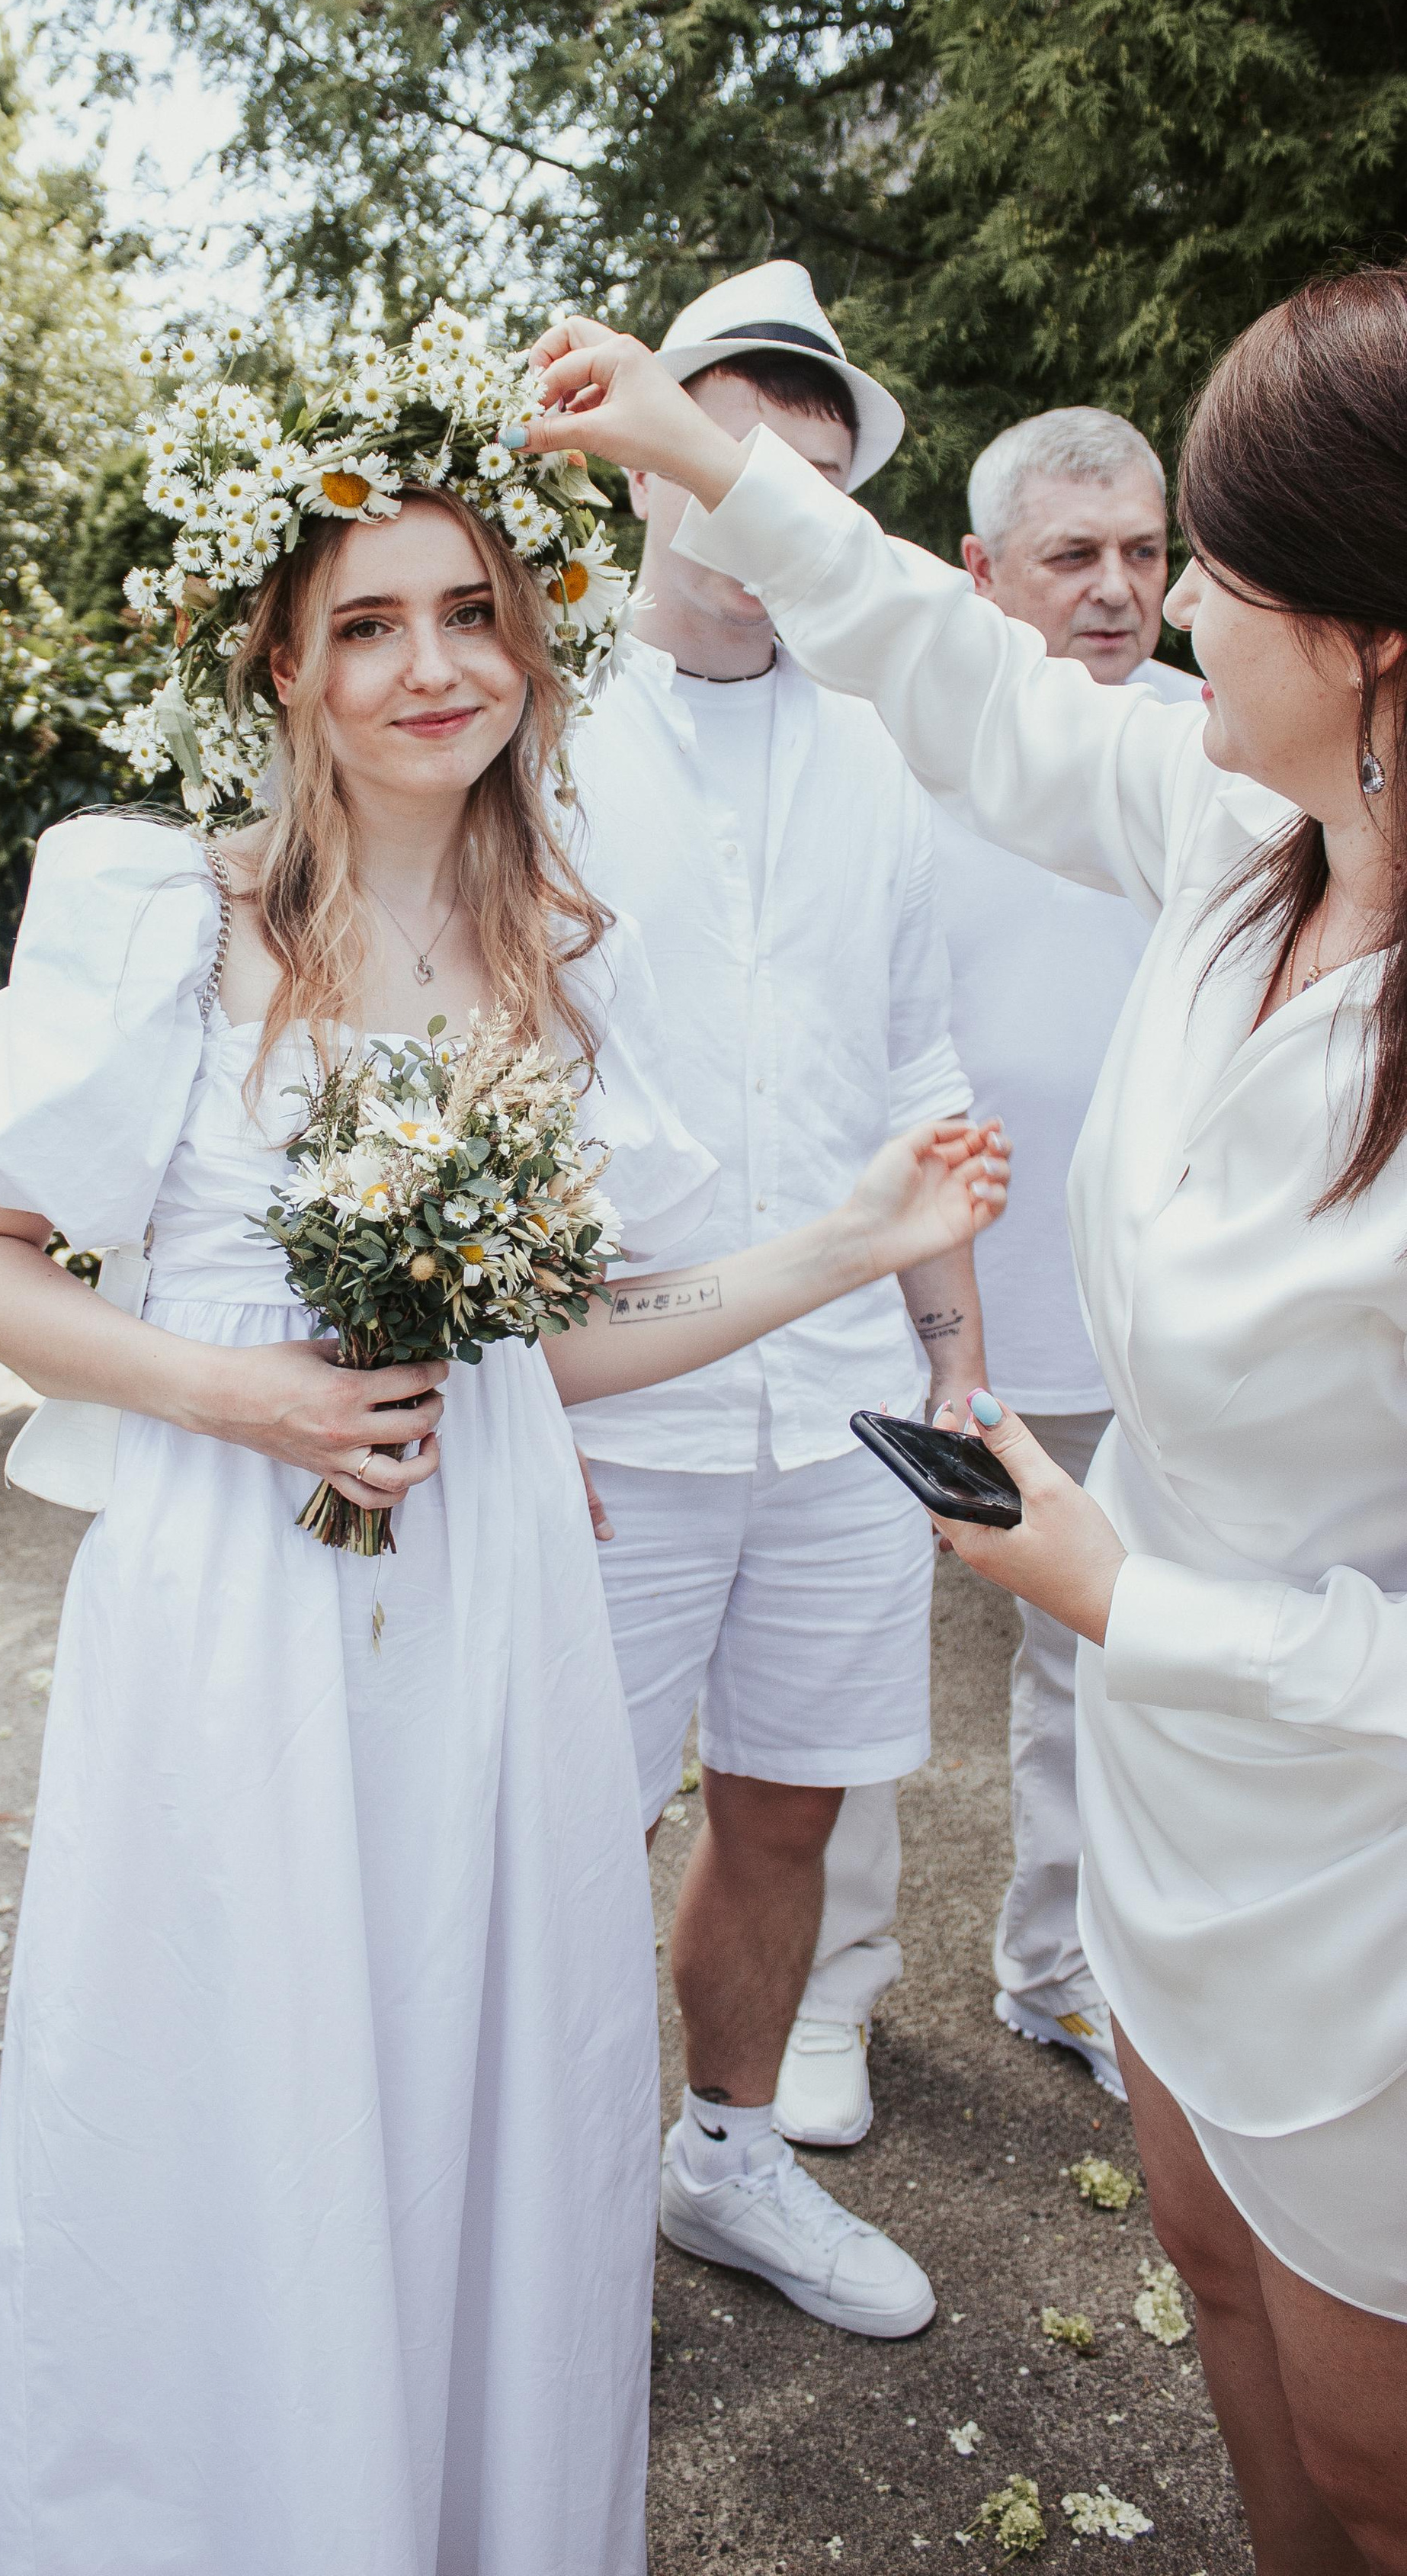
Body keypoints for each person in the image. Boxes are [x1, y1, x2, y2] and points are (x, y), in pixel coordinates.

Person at [0, 325, 1008, 2576]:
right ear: (287, 670)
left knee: (476, 2069)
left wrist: (848, 1247)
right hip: (242, 1607)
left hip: (488, 1594)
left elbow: (549, 1355)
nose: (434, 668)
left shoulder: (542, 953)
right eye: (370, 626)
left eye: (472, 612)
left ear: (529, 636)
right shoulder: (170, 918)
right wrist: (250, 1394)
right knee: (257, 2086)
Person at [514, 270, 1407, 2570]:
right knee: (1213, 2283)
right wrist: (697, 457)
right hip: (1184, 1842)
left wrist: (1119, 1588)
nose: (1161, 604)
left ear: (1375, 642)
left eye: (1216, 563)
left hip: (1370, 1881)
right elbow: (957, 665)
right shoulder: (1246, 861)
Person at [563, 259, 987, 2337]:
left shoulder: (887, 754)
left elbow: (923, 1071)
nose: (768, 516)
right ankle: (531, 2207)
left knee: (791, 1804)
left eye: (811, 484)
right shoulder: (530, 745)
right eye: (733, 466)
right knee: (556, 1826)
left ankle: (726, 2166)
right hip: (603, 1406)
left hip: (835, 1404)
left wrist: (961, 1365)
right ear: (652, 474)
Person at [947, 409, 1197, 2099]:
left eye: (1140, 551)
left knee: (1097, 1667)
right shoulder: (915, 740)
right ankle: (825, 2004)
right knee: (822, 1694)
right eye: (1069, 556)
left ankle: (1063, 1970)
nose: (1114, 590)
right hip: (928, 1296)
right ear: (979, 575)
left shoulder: (1226, 738)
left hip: (1139, 1320)